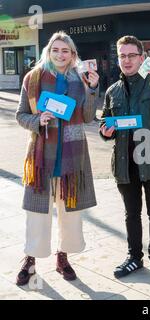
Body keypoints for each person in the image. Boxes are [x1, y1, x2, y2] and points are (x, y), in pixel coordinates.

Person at [15, 31, 99, 286]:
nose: (60, 55)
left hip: (73, 155)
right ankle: (30, 259)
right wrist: (36, 120)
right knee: (36, 212)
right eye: (55, 50)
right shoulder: (33, 78)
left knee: (70, 212)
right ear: (48, 52)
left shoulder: (80, 80)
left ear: (73, 55)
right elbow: (20, 115)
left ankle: (62, 257)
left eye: (66, 51)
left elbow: (87, 117)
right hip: (41, 156)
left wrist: (93, 88)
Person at [99, 35, 150, 282]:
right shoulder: (113, 90)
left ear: (142, 57)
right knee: (130, 213)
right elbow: (105, 120)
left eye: (131, 55)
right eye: (122, 55)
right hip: (125, 164)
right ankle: (134, 257)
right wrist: (105, 131)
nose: (126, 60)